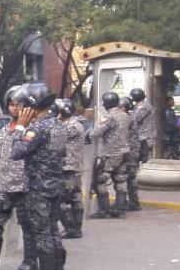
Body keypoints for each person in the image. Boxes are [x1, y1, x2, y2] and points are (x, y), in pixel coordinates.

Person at [11, 82, 66, 270]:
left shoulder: (37, 128)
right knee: (52, 229)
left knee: (42, 232)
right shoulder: (59, 125)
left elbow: (16, 152)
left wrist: (20, 127)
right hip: (55, 184)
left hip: (38, 187)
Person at [0, 85, 33, 270]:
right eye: (12, 105)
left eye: (19, 105)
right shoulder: (7, 129)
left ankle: (31, 261)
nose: (14, 109)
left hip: (24, 186)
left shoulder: (32, 130)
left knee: (29, 227)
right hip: (5, 186)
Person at [90, 91, 131, 219]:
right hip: (125, 152)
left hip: (111, 154)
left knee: (100, 181)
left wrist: (90, 131)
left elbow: (96, 133)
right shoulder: (125, 115)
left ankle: (104, 209)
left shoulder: (109, 117)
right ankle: (119, 208)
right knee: (120, 180)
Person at [55, 99, 86, 239]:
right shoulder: (74, 124)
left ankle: (71, 228)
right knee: (75, 198)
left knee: (60, 200)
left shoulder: (70, 126)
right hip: (73, 167)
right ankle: (76, 228)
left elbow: (53, 137)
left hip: (68, 168)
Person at [120, 97, 142, 212]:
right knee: (129, 177)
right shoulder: (130, 117)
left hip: (130, 151)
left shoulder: (127, 119)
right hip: (131, 150)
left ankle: (132, 202)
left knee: (129, 177)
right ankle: (132, 201)